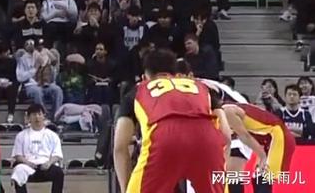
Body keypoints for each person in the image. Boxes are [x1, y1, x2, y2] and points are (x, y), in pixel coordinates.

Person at [113, 49, 230, 193]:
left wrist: (126, 189)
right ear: (176, 75)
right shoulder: (201, 87)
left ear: (144, 77)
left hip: (164, 139)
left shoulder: (138, 90)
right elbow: (226, 134)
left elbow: (119, 147)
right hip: (208, 141)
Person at [223, 103, 296, 193]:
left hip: (278, 135)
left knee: (263, 177)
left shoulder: (227, 111)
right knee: (237, 174)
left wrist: (262, 156)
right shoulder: (221, 117)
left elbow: (245, 136)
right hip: (264, 137)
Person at [10, 104, 64, 193]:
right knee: (18, 171)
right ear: (29, 118)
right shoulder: (21, 135)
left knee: (58, 172)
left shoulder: (52, 135)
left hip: (46, 166)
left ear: (44, 116)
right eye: (34, 115)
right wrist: (27, 163)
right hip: (28, 165)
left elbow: (57, 155)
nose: (37, 117)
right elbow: (18, 155)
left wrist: (49, 163)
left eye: (39, 114)